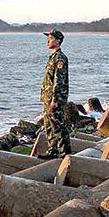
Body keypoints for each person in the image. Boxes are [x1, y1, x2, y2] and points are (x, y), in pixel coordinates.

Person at [40, 29, 72, 158]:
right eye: (48, 38)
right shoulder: (53, 57)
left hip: (55, 98)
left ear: (58, 41)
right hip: (47, 97)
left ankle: (65, 153)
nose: (48, 40)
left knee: (58, 125)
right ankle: (52, 150)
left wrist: (55, 99)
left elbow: (59, 81)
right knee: (49, 125)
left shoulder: (60, 58)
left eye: (51, 38)